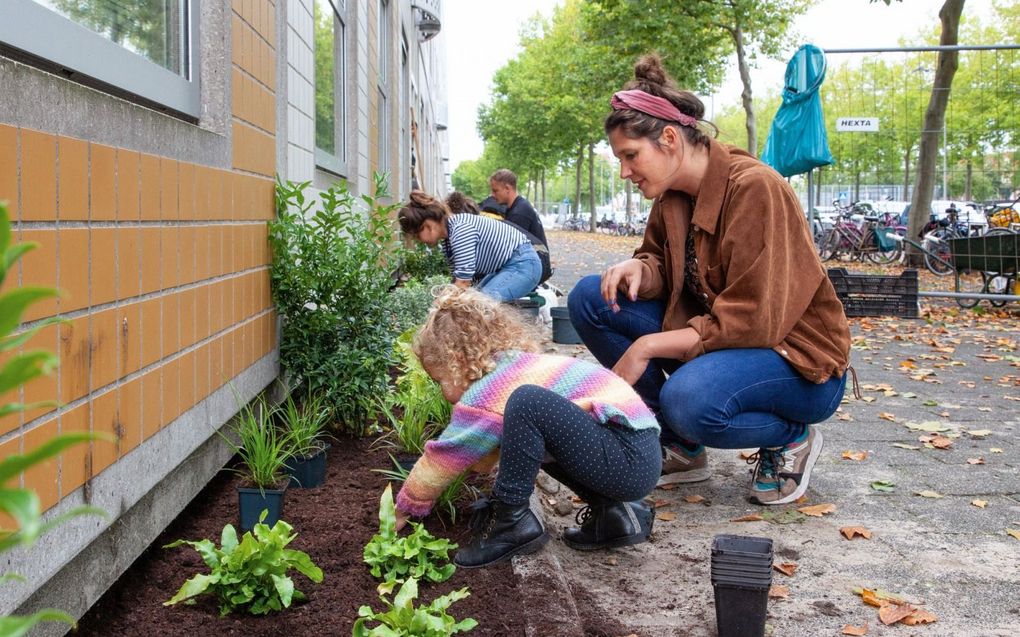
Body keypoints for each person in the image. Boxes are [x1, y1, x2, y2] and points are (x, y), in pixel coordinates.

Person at [567, 54, 852, 506]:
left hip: (794, 362)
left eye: (630, 156)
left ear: (668, 139)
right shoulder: (672, 195)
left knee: (688, 401)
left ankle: (791, 437)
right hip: (726, 343)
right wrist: (641, 269)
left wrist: (647, 346)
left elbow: (755, 321)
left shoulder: (756, 189)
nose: (624, 172)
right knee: (591, 298)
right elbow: (662, 261)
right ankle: (681, 447)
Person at [389, 286, 662, 567]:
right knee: (531, 431)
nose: (442, 390)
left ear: (457, 362)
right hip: (637, 452)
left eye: (440, 379)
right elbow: (492, 449)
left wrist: (403, 507)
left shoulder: (489, 390)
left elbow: (446, 456)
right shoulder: (513, 366)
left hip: (628, 459)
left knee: (527, 401)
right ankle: (614, 516)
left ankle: (512, 523)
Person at [398, 191, 541, 302]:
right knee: (472, 302)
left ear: (427, 225)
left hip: (523, 264)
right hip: (508, 266)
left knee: (479, 306)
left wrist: (439, 307)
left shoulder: (460, 230)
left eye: (417, 235)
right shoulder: (449, 237)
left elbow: (463, 282)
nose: (419, 241)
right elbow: (458, 280)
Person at [489, 169, 549, 250]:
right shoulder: (518, 206)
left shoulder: (519, 213)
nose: (492, 195)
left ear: (507, 188)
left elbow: (509, 248)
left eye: (495, 191)